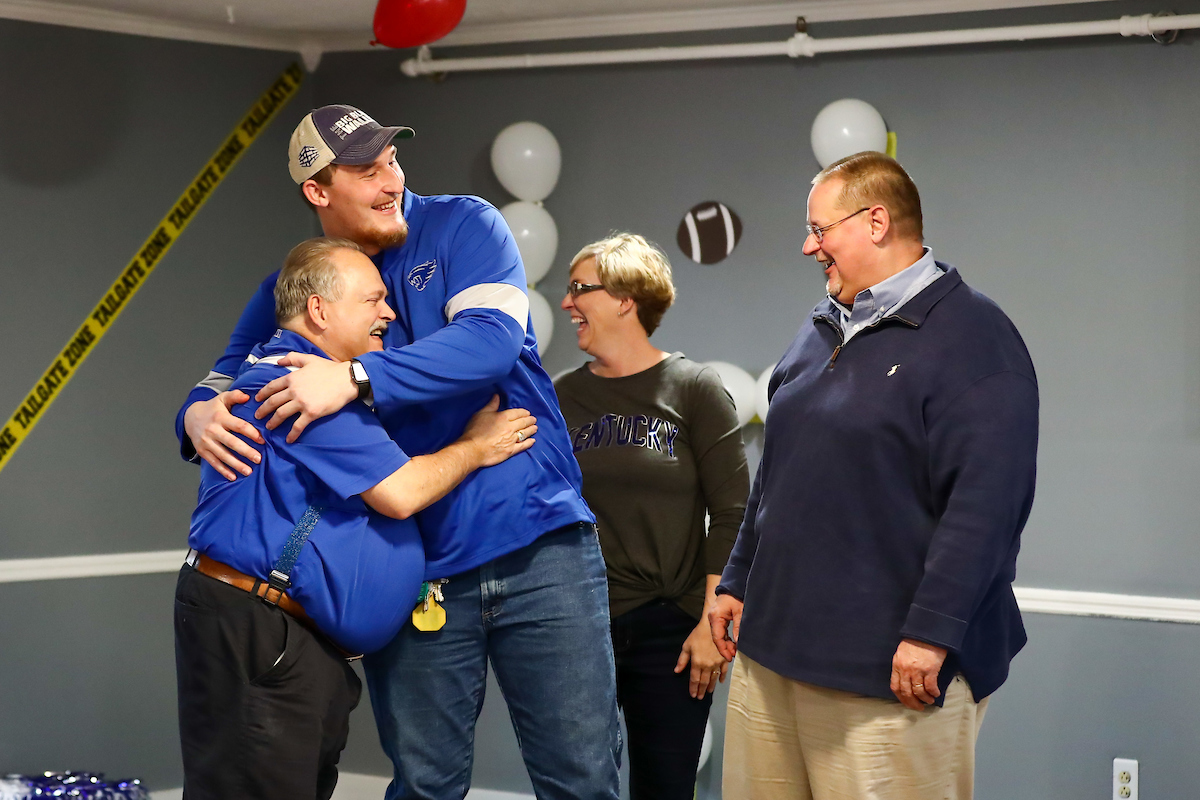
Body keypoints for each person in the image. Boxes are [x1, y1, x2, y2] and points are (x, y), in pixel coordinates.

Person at [174, 105, 620, 800]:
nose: (390, 180)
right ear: (318, 192)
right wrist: (195, 415)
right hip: (424, 573)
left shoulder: (463, 225)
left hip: (539, 546)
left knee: (583, 779)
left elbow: (491, 343)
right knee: (424, 785)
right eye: (365, 169)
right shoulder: (299, 285)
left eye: (392, 161)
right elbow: (225, 376)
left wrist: (353, 376)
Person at [710, 152, 1039, 800]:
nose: (809, 245)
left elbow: (986, 504)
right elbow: (777, 474)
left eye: (820, 229)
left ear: (877, 220)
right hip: (772, 658)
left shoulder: (975, 338)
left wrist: (931, 632)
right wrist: (737, 577)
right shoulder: (819, 330)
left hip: (890, 671)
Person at [176, 237, 537, 800]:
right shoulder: (296, 384)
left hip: (283, 639)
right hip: (262, 634)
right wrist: (476, 445)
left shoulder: (308, 380)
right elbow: (402, 492)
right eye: (373, 301)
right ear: (319, 309)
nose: (389, 314)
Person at [554, 234, 750, 800]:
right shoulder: (561, 396)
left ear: (623, 298)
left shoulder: (694, 388)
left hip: (674, 629)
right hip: (580, 625)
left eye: (579, 289)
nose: (567, 303)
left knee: (664, 789)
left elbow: (735, 513)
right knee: (576, 786)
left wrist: (712, 627)